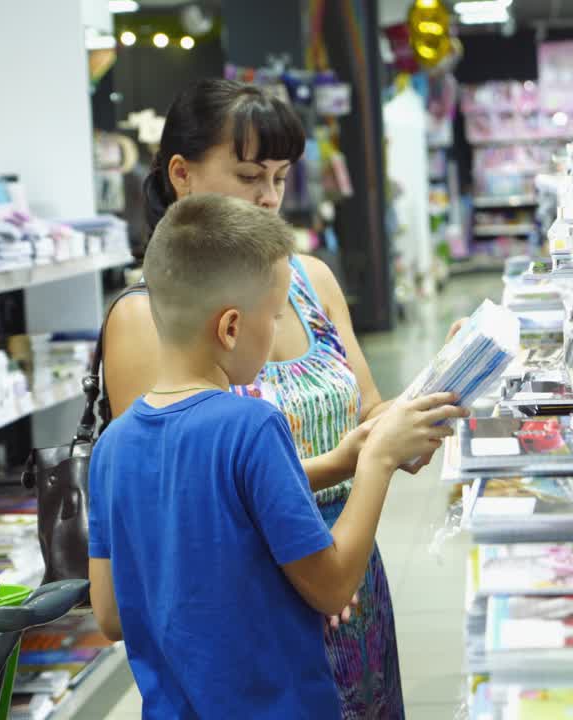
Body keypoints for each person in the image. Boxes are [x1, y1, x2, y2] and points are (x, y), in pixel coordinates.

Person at [103, 78, 453, 718]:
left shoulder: (307, 277)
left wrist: (430, 396)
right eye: (248, 175)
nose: (269, 198)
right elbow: (171, 501)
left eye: (281, 177)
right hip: (264, 601)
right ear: (181, 174)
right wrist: (360, 463)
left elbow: (367, 408)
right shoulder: (145, 319)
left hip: (351, 576)